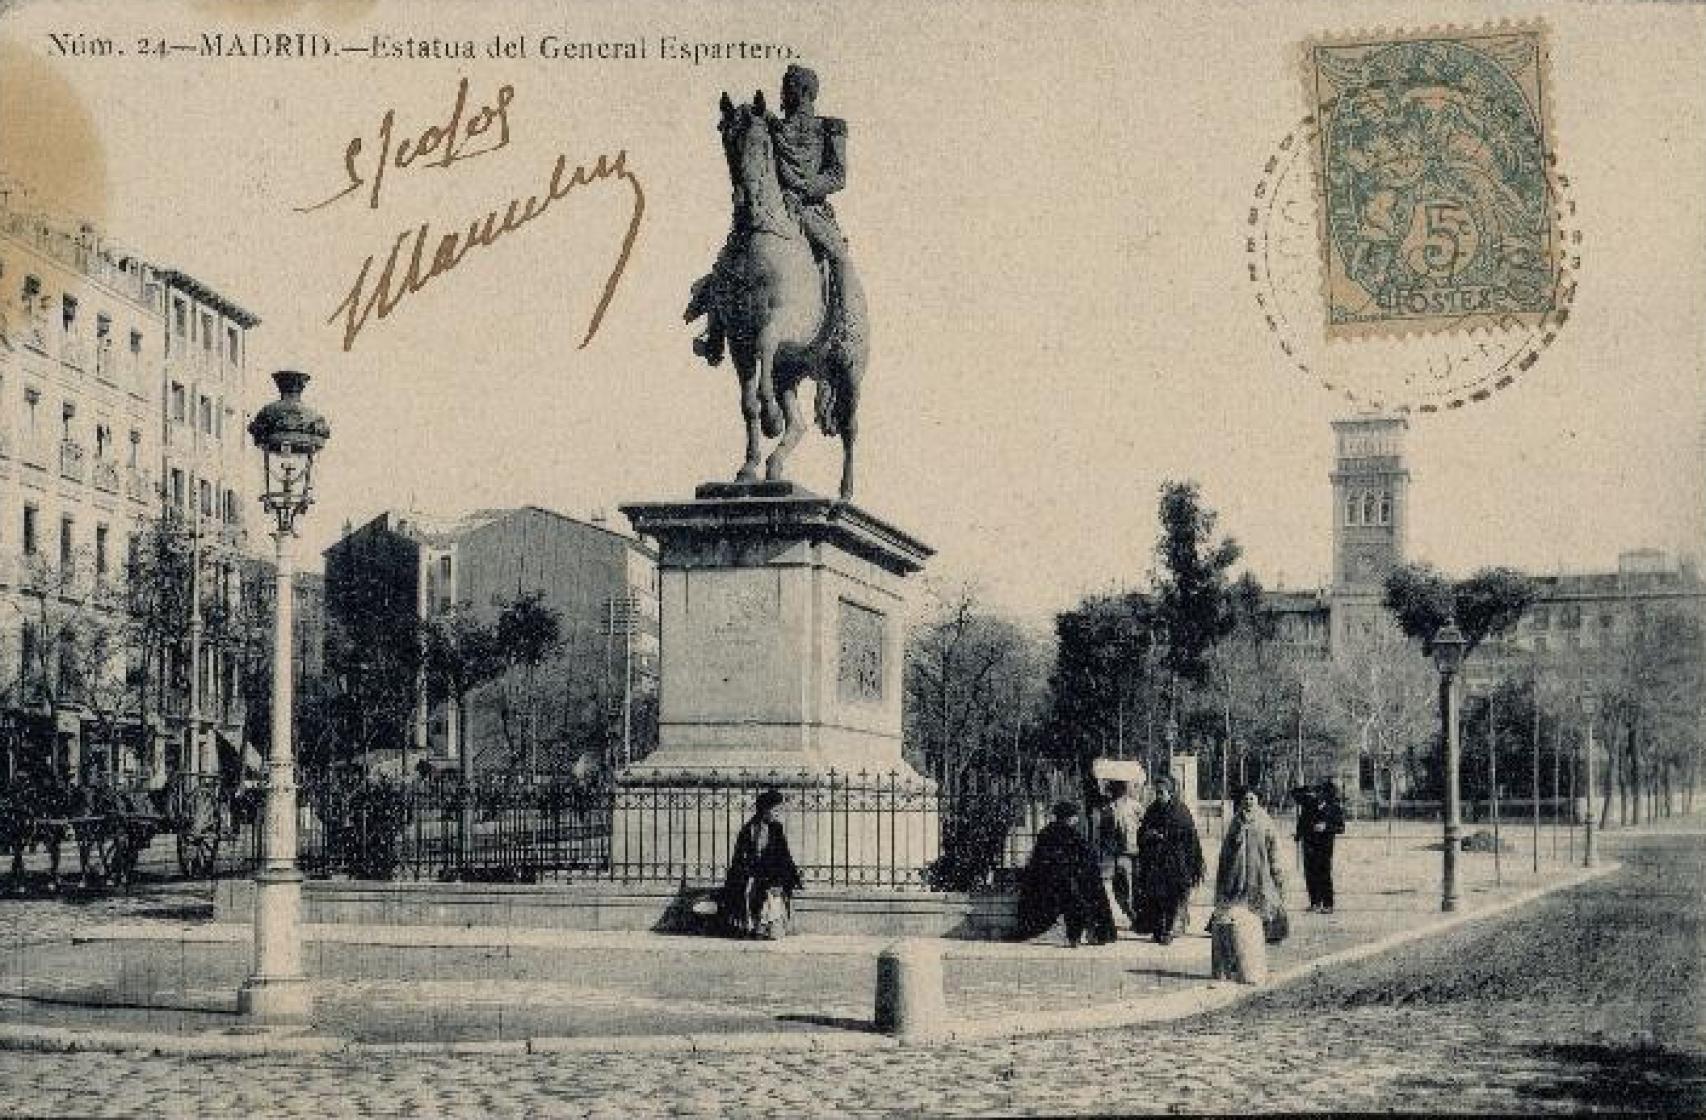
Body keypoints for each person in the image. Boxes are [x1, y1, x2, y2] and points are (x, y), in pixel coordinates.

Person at [691, 64, 850, 367]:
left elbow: (837, 176)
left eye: (789, 87)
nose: (784, 94)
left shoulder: (829, 127)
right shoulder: (772, 126)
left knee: (839, 258)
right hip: (775, 208)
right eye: (784, 87)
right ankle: (714, 331)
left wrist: (808, 185)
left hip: (811, 210)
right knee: (730, 252)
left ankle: (843, 326)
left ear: (806, 92)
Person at [1015, 801, 1117, 947]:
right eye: (1075, 816)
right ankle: (1084, 934)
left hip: (1050, 879)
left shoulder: (1046, 832)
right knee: (1089, 895)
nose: (1077, 818)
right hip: (1069, 878)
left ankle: (1077, 935)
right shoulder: (1072, 834)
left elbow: (1038, 858)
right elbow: (1085, 856)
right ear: (1069, 818)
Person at [721, 789, 803, 939]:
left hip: (772, 876)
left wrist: (783, 879)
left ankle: (768, 927)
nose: (778, 813)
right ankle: (752, 926)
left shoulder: (776, 829)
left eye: (780, 810)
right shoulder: (748, 830)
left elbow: (783, 856)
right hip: (752, 875)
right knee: (748, 892)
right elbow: (739, 858)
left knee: (772, 899)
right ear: (765, 810)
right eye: (775, 810)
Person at [1134, 774, 1204, 944]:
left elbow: (1191, 839)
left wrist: (1192, 864)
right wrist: (1149, 835)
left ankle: (1168, 930)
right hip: (1155, 863)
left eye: (1162, 792)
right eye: (1156, 792)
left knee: (1172, 898)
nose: (1158, 796)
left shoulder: (1181, 811)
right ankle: (1158, 930)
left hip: (1175, 863)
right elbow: (1141, 833)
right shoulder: (1152, 810)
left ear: (1170, 793)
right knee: (1156, 898)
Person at [1214, 787, 1288, 943]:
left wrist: (1275, 865)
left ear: (1257, 800)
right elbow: (1227, 845)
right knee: (1238, 898)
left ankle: (1271, 933)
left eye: (1251, 799)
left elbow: (1273, 844)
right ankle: (1239, 932)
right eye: (1245, 799)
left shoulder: (1264, 820)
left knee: (1264, 897)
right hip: (1238, 869)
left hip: (1260, 867)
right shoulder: (1236, 820)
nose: (1248, 802)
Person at [1294, 779, 1347, 913]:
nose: (1318, 796)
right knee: (1310, 873)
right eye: (1316, 793)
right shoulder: (1308, 805)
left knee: (1324, 872)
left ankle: (1328, 904)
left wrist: (1326, 827)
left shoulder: (1334, 808)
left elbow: (1341, 828)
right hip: (1309, 844)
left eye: (1321, 793)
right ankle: (1315, 902)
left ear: (1328, 795)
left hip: (1325, 845)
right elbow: (1302, 821)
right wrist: (1298, 834)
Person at [1101, 780, 1145, 930]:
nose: (1120, 792)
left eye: (1122, 789)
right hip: (1120, 853)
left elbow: (1144, 824)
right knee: (1122, 885)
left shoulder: (1136, 806)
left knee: (1136, 885)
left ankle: (1138, 917)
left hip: (1137, 851)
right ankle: (1131, 915)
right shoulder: (1108, 809)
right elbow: (1104, 833)